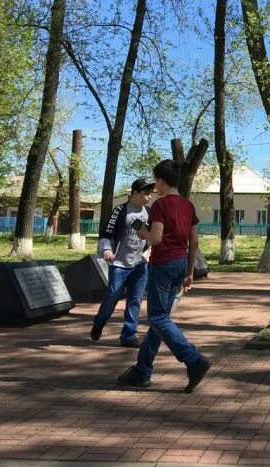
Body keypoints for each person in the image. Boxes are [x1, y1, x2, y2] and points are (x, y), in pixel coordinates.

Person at [117, 160, 212, 392]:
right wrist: (190, 272)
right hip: (180, 264)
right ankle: (142, 370)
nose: (155, 189)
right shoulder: (188, 206)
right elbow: (195, 241)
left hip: (162, 265)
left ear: (160, 180)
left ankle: (193, 360)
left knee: (158, 319)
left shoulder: (160, 205)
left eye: (155, 183)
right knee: (161, 321)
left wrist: (142, 232)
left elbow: (156, 238)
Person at [90, 178, 154, 347]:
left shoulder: (149, 212)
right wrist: (107, 250)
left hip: (140, 264)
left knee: (135, 299)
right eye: (146, 194)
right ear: (134, 194)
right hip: (119, 264)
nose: (149, 197)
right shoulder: (120, 211)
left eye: (150, 194)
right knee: (112, 296)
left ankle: (128, 336)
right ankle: (99, 322)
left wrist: (150, 250)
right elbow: (106, 234)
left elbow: (153, 235)